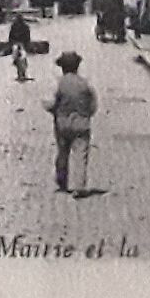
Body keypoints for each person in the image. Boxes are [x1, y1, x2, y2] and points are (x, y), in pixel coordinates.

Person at [44, 51, 98, 197]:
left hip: (62, 124)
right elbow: (93, 106)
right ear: (77, 66)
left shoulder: (59, 84)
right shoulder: (85, 84)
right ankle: (79, 186)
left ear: (62, 67)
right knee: (81, 154)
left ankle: (62, 180)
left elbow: (51, 103)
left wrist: (52, 110)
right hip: (81, 123)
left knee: (62, 152)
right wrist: (85, 114)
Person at [7, 13, 32, 83]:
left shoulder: (14, 27)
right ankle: (22, 72)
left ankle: (20, 72)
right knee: (22, 58)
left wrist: (11, 43)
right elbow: (28, 37)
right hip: (20, 44)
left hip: (18, 44)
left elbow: (10, 37)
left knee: (18, 58)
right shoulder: (25, 27)